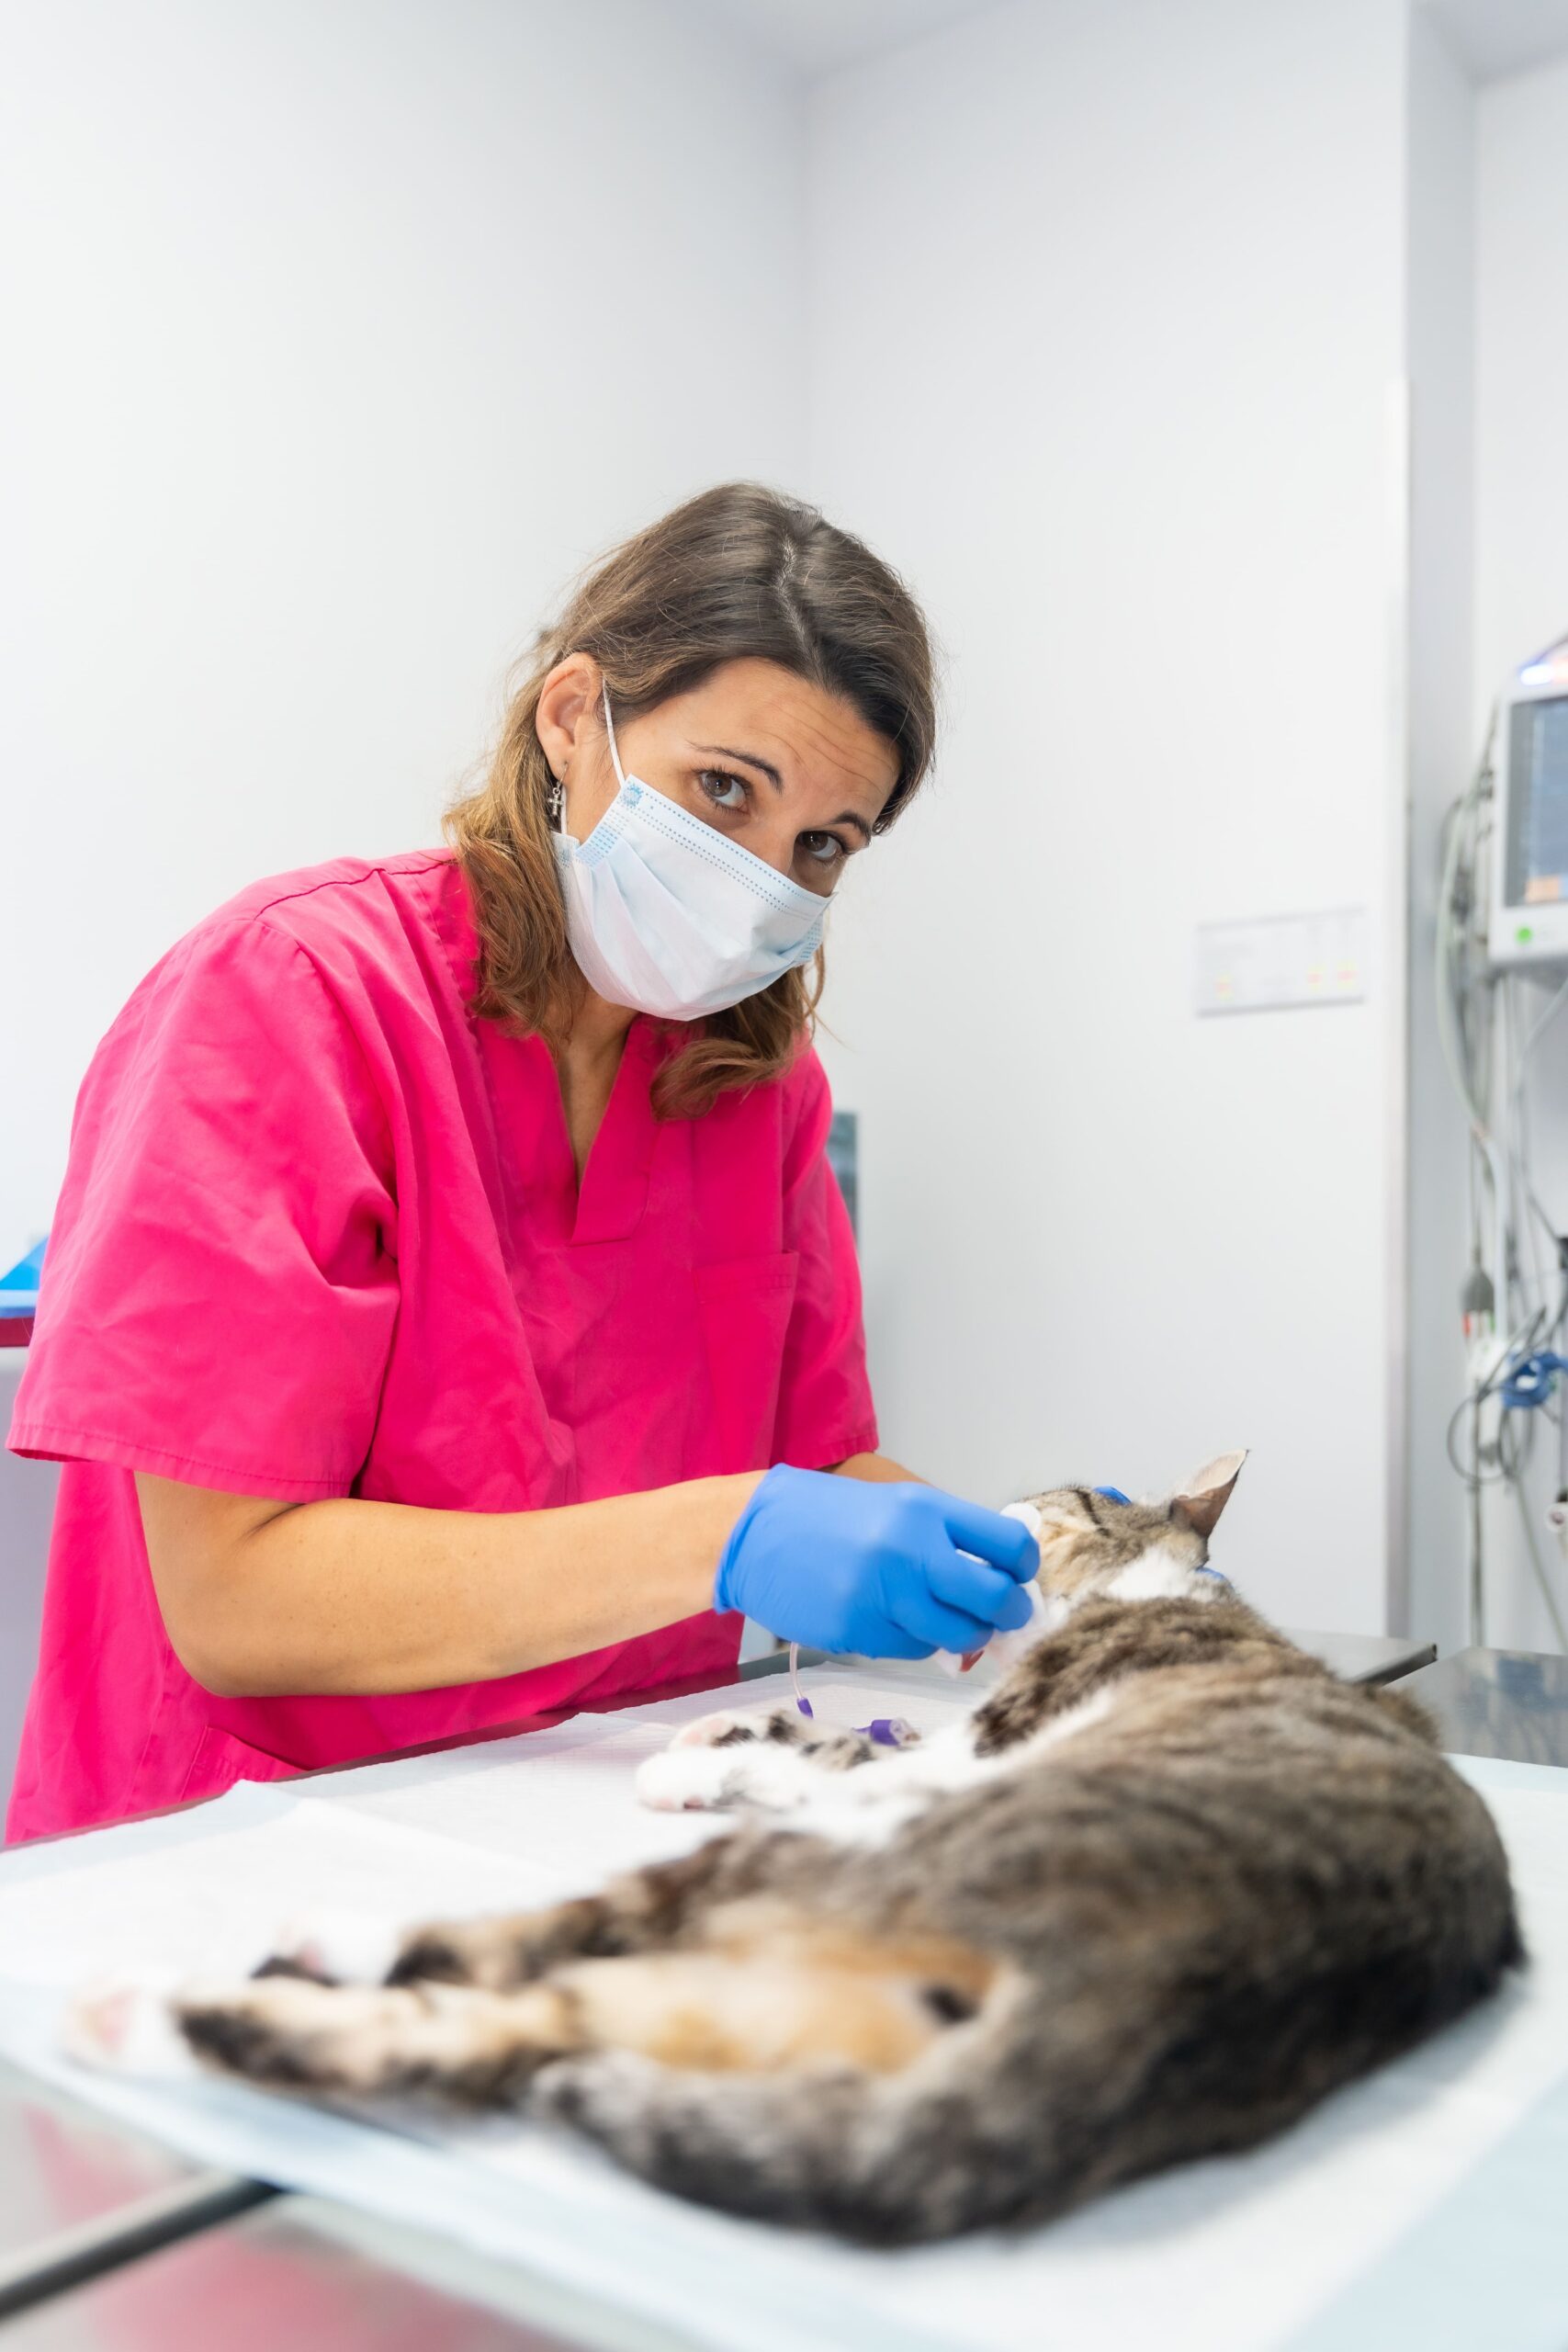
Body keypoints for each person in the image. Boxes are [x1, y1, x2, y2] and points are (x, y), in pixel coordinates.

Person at [6, 483, 1038, 1843]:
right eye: (722, 790)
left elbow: (815, 1471)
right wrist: (725, 1541)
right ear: (573, 719)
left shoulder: (755, 1086)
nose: (761, 878)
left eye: (821, 848)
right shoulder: (294, 997)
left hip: (614, 1810)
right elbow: (236, 1603)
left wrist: (1047, 1571)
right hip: (243, 1845)